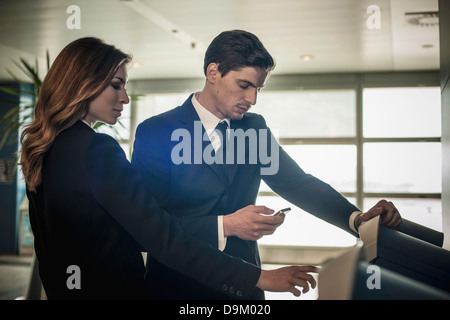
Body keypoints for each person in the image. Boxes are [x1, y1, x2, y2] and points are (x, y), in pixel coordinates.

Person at [19, 37, 318, 300]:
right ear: (81, 83)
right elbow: (161, 237)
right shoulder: (97, 150)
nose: (124, 97)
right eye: (115, 85)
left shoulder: (42, 149)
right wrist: (258, 277)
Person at [131, 29, 403, 300]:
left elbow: (298, 184)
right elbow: (149, 227)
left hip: (245, 290)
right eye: (244, 85)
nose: (253, 100)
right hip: (176, 287)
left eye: (258, 88)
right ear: (213, 73)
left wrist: (357, 220)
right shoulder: (156, 131)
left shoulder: (254, 128)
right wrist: (226, 225)